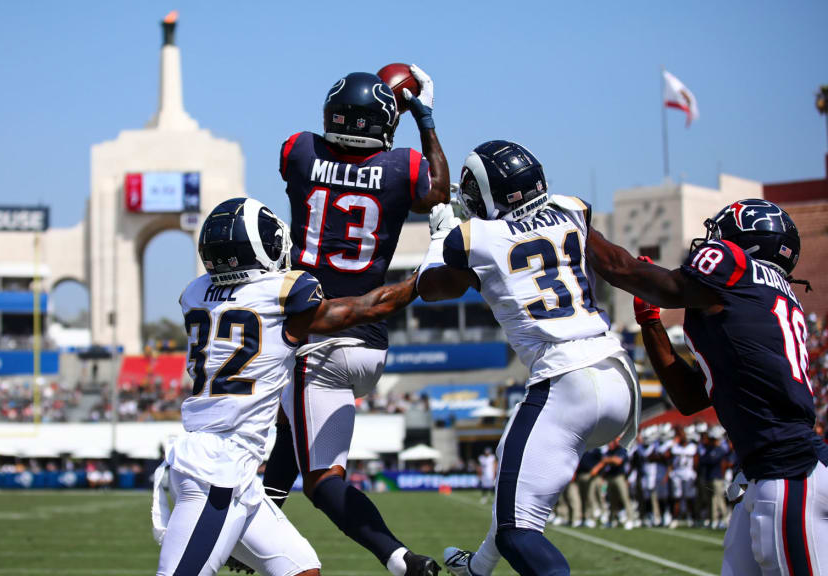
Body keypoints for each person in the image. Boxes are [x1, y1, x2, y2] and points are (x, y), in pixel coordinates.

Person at [155, 198, 418, 576]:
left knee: (301, 569)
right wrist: (418, 282)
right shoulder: (282, 292)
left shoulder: (194, 293)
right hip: (218, 470)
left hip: (229, 468)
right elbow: (363, 309)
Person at [417, 140, 640, 576]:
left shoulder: (475, 237)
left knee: (517, 530)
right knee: (512, 478)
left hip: (565, 381)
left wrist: (440, 235)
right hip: (617, 373)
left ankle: (483, 566)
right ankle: (477, 568)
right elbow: (618, 264)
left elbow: (430, 287)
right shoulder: (572, 209)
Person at [262, 67, 449, 576]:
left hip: (316, 336)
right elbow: (438, 189)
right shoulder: (402, 165)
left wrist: (365, 104)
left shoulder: (299, 150)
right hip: (370, 344)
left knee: (323, 481)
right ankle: (261, 518)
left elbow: (319, 153)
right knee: (287, 423)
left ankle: (398, 558)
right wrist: (423, 118)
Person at [586, 198, 828, 573]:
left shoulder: (735, 268)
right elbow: (689, 398)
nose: (711, 242)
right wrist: (651, 324)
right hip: (770, 469)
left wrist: (577, 227)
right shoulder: (764, 298)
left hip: (788, 471)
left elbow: (625, 269)